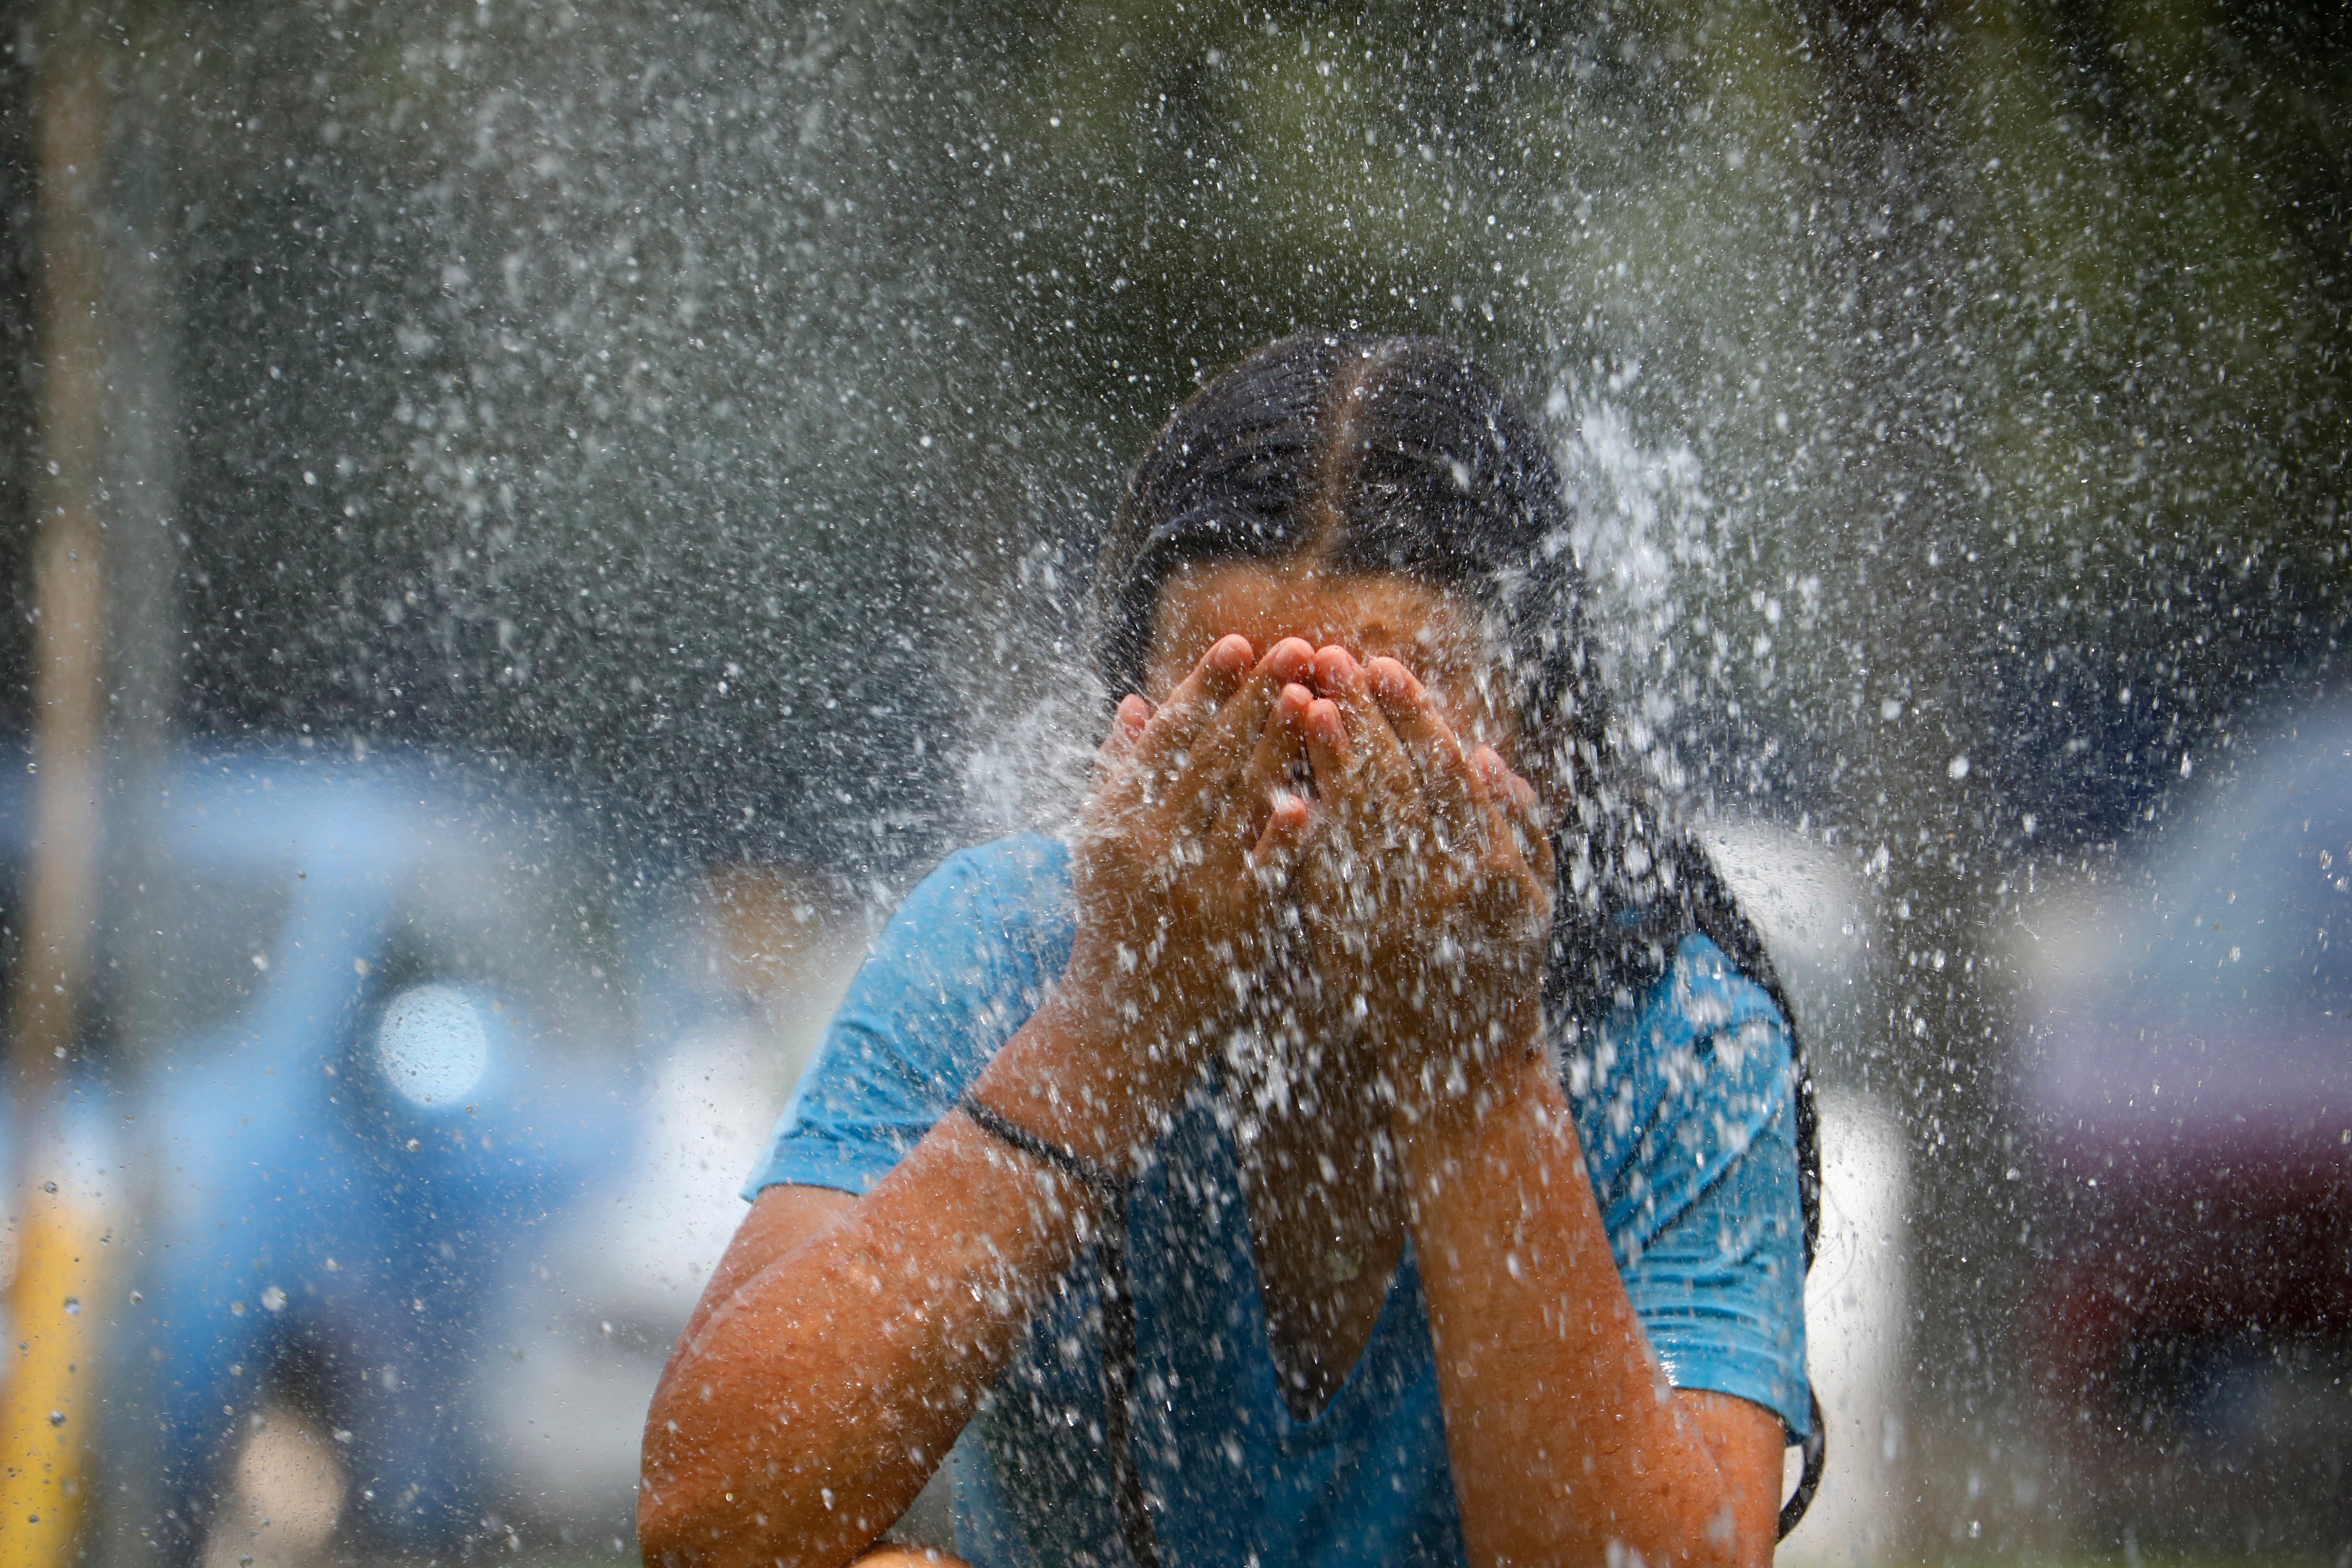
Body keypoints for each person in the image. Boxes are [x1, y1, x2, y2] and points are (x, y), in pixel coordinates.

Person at [639, 334, 1813, 1568]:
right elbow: (709, 1526)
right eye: (1235, 741)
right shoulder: (1007, 955)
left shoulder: (1679, 1047)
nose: (1302, 826)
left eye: (1388, 752)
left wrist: (1472, 1070)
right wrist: (1114, 1025)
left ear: (1552, 762)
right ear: (1124, 747)